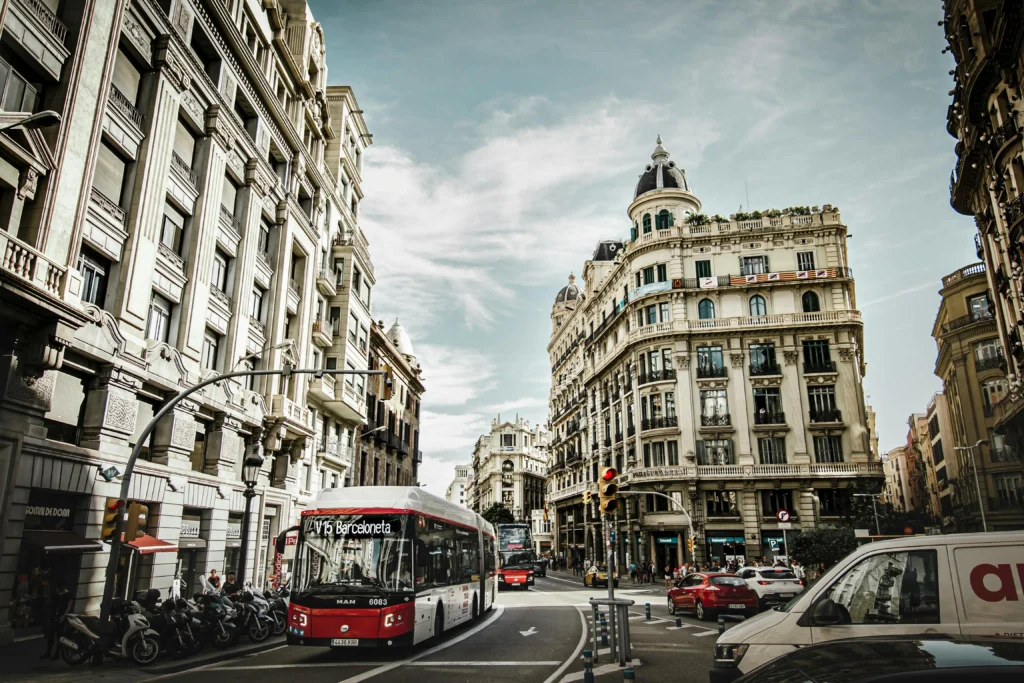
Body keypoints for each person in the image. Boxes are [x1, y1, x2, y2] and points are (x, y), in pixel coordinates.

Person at [41, 583, 73, 660]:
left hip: (61, 616)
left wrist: (64, 616)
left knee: (59, 636)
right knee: (51, 635)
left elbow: (69, 607)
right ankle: (48, 652)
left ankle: (57, 654)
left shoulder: (68, 595)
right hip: (54, 615)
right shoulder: (57, 595)